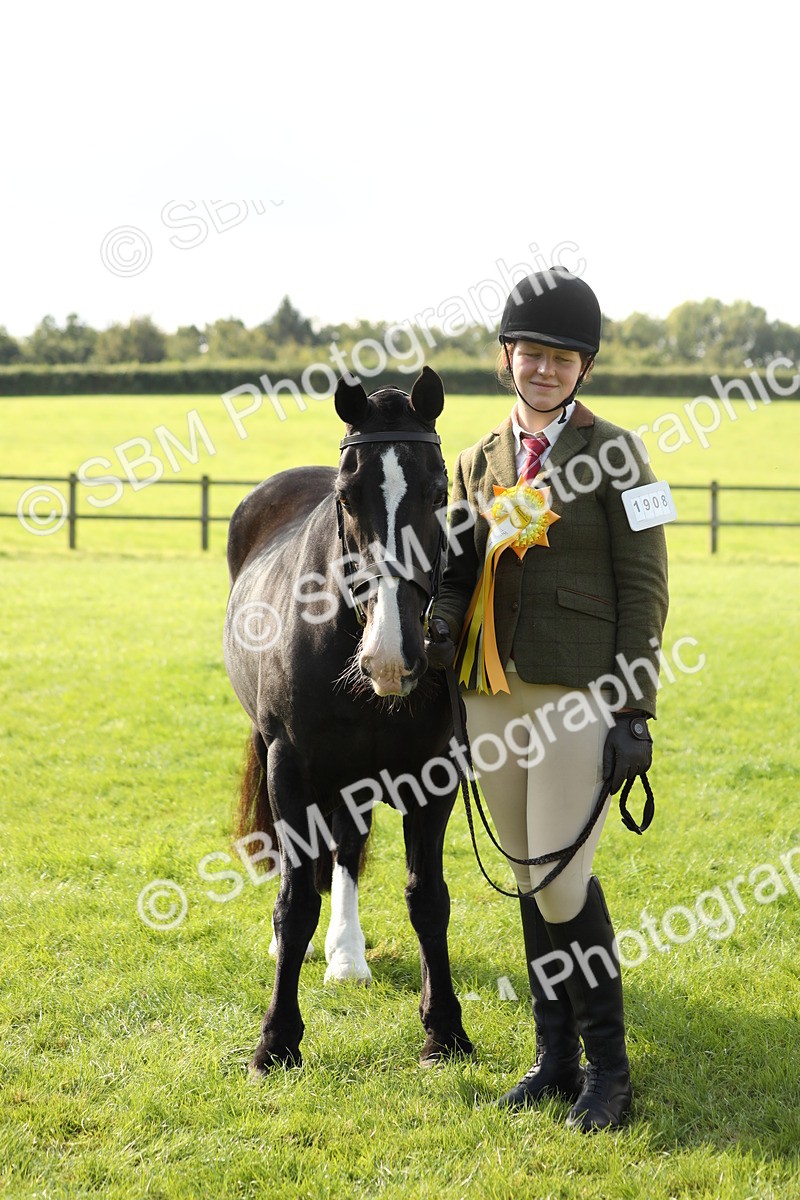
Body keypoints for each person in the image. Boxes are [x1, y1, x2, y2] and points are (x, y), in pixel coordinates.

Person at [427, 267, 669, 1133]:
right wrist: (436, 631)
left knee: (563, 881)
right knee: (530, 881)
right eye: (532, 352)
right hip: (490, 692)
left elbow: (645, 584)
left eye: (562, 357)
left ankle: (611, 1071)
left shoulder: (622, 453)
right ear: (506, 358)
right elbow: (459, 572)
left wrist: (635, 709)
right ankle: (553, 1059)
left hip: (579, 694)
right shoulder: (473, 461)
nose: (544, 368)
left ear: (584, 368)